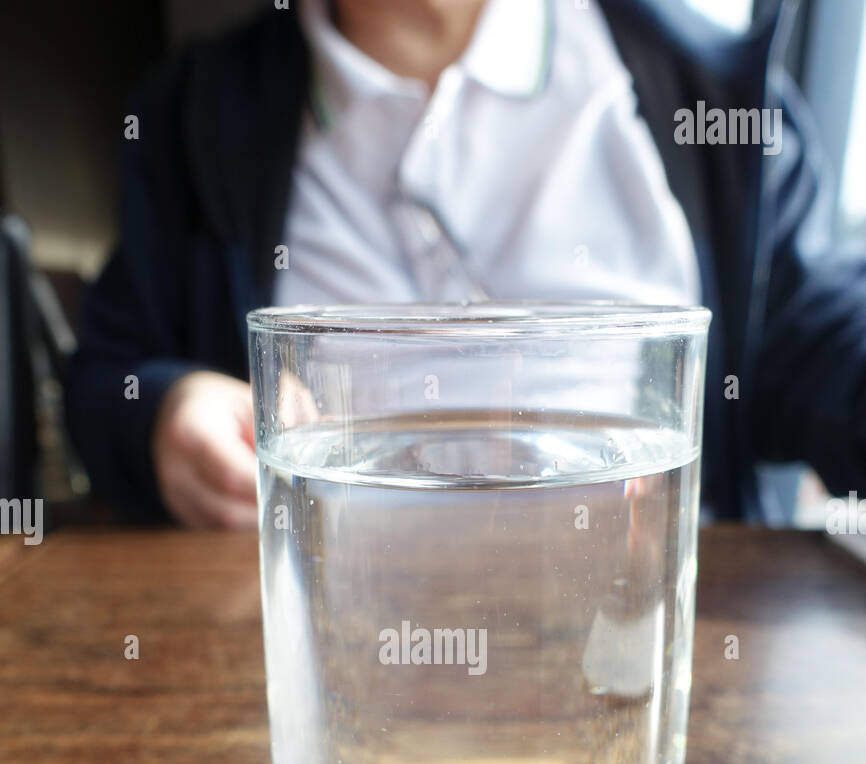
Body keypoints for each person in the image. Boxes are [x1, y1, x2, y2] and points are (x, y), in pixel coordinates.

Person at [64, 0, 866, 527]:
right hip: (333, 676)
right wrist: (163, 412)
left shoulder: (717, 95)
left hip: (646, 672)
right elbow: (107, 374)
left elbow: (818, 336)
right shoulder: (188, 120)